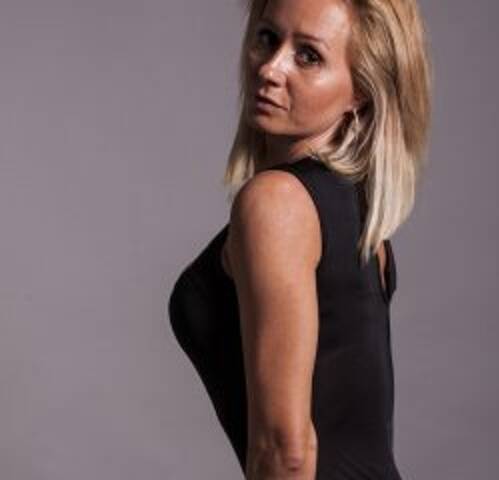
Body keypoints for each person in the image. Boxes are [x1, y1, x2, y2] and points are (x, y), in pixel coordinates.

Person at [168, 0, 433, 478]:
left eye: (308, 56)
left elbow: (285, 449)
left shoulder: (277, 204)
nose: (270, 69)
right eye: (267, 39)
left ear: (360, 91)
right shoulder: (360, 216)